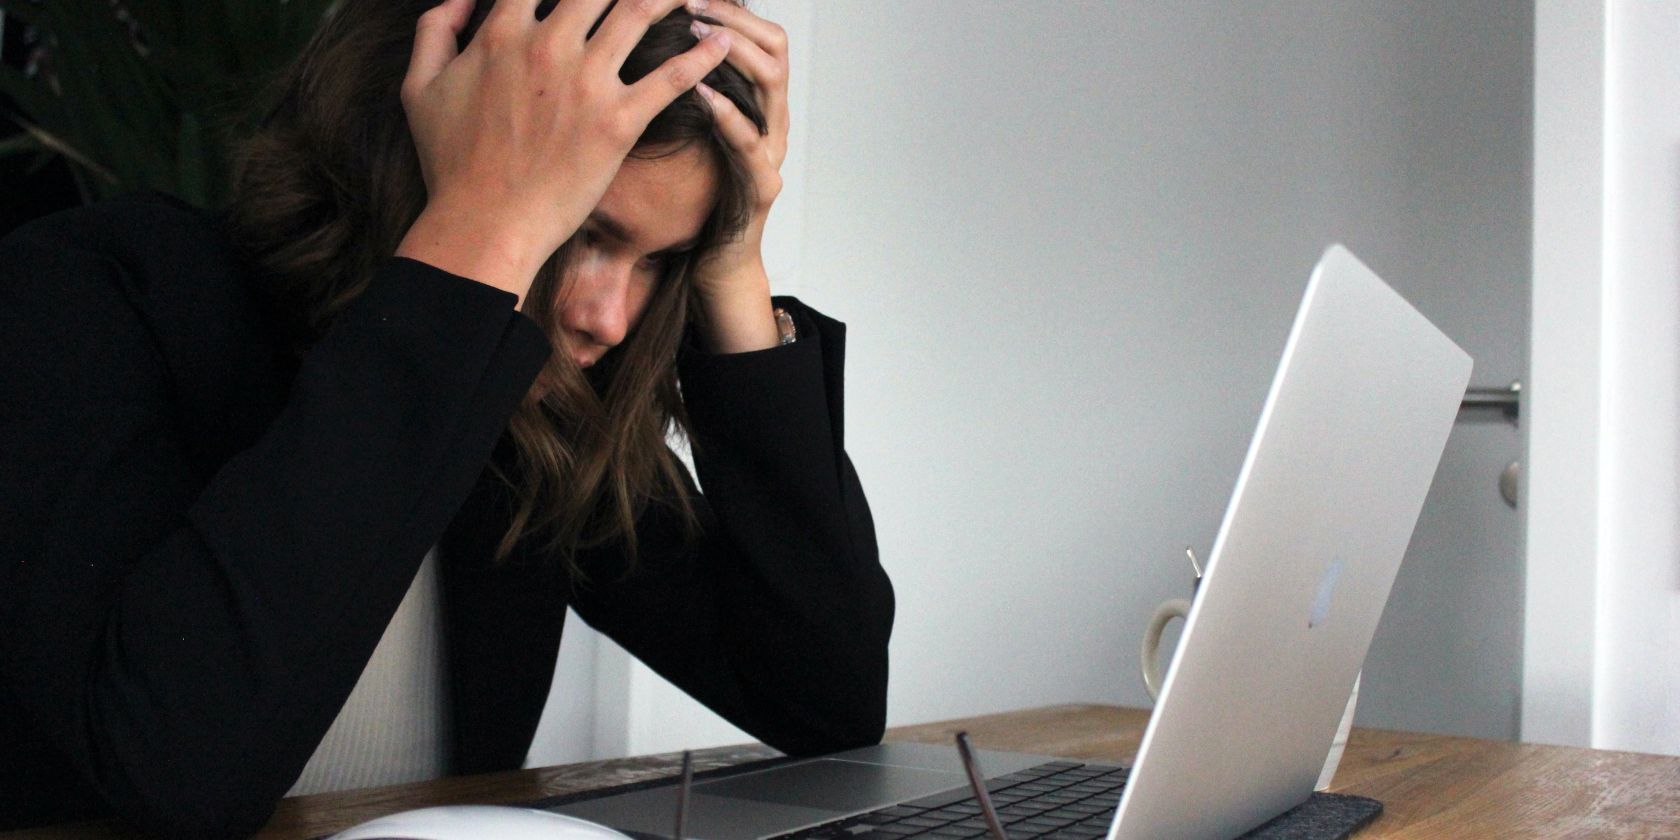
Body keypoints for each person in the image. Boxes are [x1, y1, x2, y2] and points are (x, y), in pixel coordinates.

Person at [0, 0, 893, 836]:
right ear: (418, 145)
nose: (607, 318)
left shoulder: (533, 412)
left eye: (659, 260)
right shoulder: (88, 295)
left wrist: (733, 268)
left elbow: (826, 702)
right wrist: (481, 232)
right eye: (583, 229)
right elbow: (172, 777)